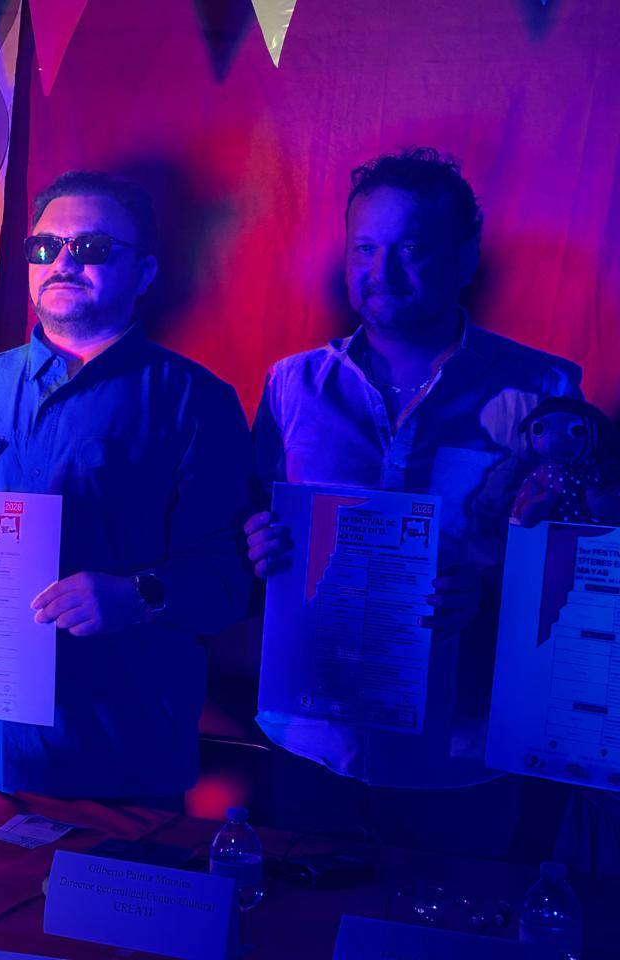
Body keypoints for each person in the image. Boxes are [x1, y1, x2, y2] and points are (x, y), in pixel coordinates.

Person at [0, 170, 254, 802]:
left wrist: (137, 596)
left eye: (92, 248)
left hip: (121, 749)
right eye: (45, 247)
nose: (63, 263)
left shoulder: (197, 402)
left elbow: (228, 580)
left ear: (145, 273)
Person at [245, 149, 581, 851]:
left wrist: (491, 595)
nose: (382, 271)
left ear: (465, 258)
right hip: (312, 741)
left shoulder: (545, 392)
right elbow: (244, 525)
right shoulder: (291, 386)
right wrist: (255, 541)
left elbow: (577, 579)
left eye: (412, 250)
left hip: (461, 756)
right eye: (365, 248)